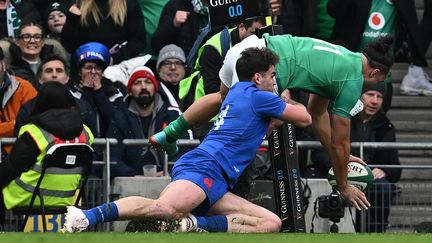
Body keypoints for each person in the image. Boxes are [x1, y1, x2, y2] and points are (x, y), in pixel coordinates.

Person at [61, 47, 311, 233]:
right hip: (205, 166)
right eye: (272, 75)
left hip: (217, 177)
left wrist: (273, 121)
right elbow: (305, 118)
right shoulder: (260, 97)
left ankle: (191, 224)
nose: (275, 81)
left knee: (271, 223)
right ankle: (85, 216)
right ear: (258, 78)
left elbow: (248, 135)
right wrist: (286, 99)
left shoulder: (237, 93)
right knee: (164, 209)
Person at [152, 34, 394, 210]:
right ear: (374, 74)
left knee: (220, 98)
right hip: (266, 68)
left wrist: (337, 155)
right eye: (379, 81)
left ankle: (170, 133)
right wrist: (343, 185)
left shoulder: (342, 58)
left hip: (248, 49)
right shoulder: (352, 81)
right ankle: (214, 188)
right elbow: (341, 141)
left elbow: (318, 113)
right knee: (262, 122)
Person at [310, 82, 401, 232]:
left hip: (370, 181)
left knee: (383, 187)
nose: (375, 101)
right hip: (338, 174)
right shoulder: (341, 117)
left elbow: (395, 167)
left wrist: (385, 170)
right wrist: (342, 165)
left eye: (379, 97)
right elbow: (319, 155)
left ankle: (376, 234)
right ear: (359, 96)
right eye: (370, 95)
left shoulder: (387, 126)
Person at [0, 82, 94, 227]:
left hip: (29, 196)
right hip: (68, 198)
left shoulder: (34, 132)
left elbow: (12, 168)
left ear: (39, 103)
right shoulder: (86, 133)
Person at [328, 0, 428, 109]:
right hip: (349, 70)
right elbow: (333, 10)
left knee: (375, 119)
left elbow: (411, 24)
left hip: (381, 74)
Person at [179, 18, 265, 140]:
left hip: (239, 114)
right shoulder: (213, 47)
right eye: (253, 33)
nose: (257, 39)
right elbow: (213, 90)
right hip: (210, 117)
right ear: (241, 27)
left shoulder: (258, 45)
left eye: (260, 35)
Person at [107, 66, 186, 178]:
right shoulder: (120, 117)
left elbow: (186, 149)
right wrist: (132, 175)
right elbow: (112, 158)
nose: (143, 87)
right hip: (132, 181)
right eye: (137, 83)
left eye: (148, 82)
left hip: (168, 178)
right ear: (129, 91)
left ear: (155, 88)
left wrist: (168, 171)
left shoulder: (172, 114)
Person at [61, 0, 146, 64]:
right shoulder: (79, 5)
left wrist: (115, 58)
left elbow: (138, 41)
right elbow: (69, 46)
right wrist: (72, 20)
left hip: (119, 65)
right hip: (86, 64)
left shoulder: (128, 3)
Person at [69, 42, 125, 138]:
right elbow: (79, 119)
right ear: (79, 72)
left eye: (97, 68)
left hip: (110, 146)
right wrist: (87, 91)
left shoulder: (114, 93)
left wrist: (99, 92)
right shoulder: (71, 93)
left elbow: (116, 121)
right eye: (88, 68)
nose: (93, 72)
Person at [2, 21, 68, 89]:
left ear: (42, 42)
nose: (32, 41)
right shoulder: (10, 70)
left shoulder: (54, 64)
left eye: (37, 37)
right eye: (26, 37)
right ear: (18, 42)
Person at [0, 46, 37, 158]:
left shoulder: (24, 88)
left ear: (3, 65)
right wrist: (15, 125)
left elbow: (35, 123)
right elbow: (22, 125)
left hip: (21, 156)